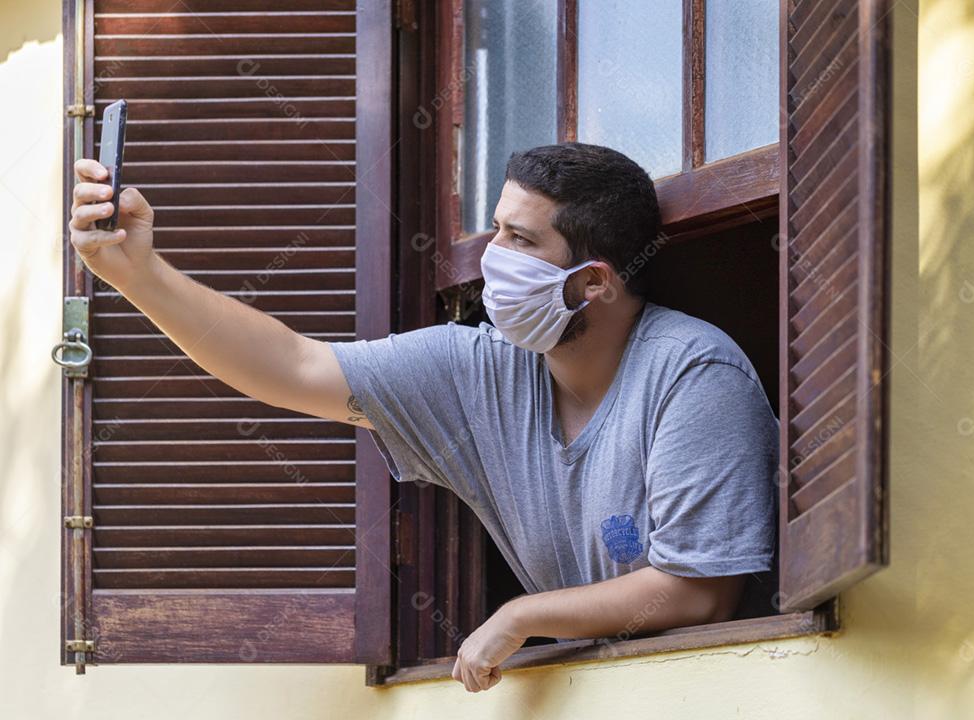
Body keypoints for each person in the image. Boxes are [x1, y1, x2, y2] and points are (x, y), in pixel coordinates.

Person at [68, 141, 778, 692]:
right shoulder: (482, 368)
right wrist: (138, 274)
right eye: (495, 230)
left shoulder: (692, 373)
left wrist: (522, 617)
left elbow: (699, 592)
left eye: (523, 241)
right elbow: (293, 365)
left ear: (593, 283)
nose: (494, 259)